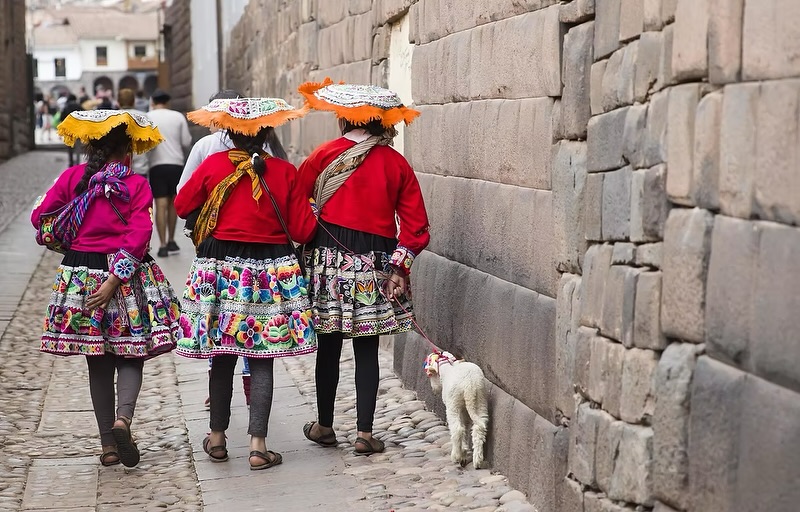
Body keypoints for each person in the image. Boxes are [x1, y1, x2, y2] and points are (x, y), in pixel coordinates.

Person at [31, 110, 180, 468]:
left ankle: (108, 447)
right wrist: (116, 278)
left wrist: (72, 220)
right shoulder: (136, 185)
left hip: (81, 275)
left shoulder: (72, 179)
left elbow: (40, 218)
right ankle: (122, 420)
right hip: (124, 276)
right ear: (128, 148)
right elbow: (140, 234)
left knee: (97, 363)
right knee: (131, 353)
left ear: (91, 146)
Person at [174, 96, 316, 471]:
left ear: (228, 132)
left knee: (221, 354)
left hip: (219, 268)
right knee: (262, 356)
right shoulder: (284, 172)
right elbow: (303, 229)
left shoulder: (213, 164)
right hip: (269, 272)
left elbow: (181, 205)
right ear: (268, 132)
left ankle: (217, 439)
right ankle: (258, 446)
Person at [296, 79, 430, 455]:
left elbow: (297, 208)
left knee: (329, 346)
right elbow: (416, 226)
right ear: (380, 122)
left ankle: (324, 424)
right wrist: (399, 268)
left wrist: (311, 226)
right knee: (367, 348)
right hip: (375, 265)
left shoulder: (322, 156)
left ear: (343, 119)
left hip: (328, 265)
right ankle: (365, 434)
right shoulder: (396, 163)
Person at [176, 88, 284, 410]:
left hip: (218, 258)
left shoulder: (208, 155)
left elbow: (183, 199)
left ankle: (218, 432)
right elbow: (295, 216)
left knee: (220, 334)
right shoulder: (275, 158)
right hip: (267, 262)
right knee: (259, 339)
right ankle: (257, 432)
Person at [146, 89, 191, 257]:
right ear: (167, 101)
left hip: (157, 165)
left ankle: (162, 244)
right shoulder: (178, 116)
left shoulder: (148, 117)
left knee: (160, 205)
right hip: (176, 164)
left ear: (153, 101)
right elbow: (186, 141)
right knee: (173, 203)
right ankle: (172, 240)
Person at [117, 89, 149, 176]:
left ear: (118, 102)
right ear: (134, 102)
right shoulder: (144, 117)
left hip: (118, 169)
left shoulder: (112, 117)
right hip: (140, 167)